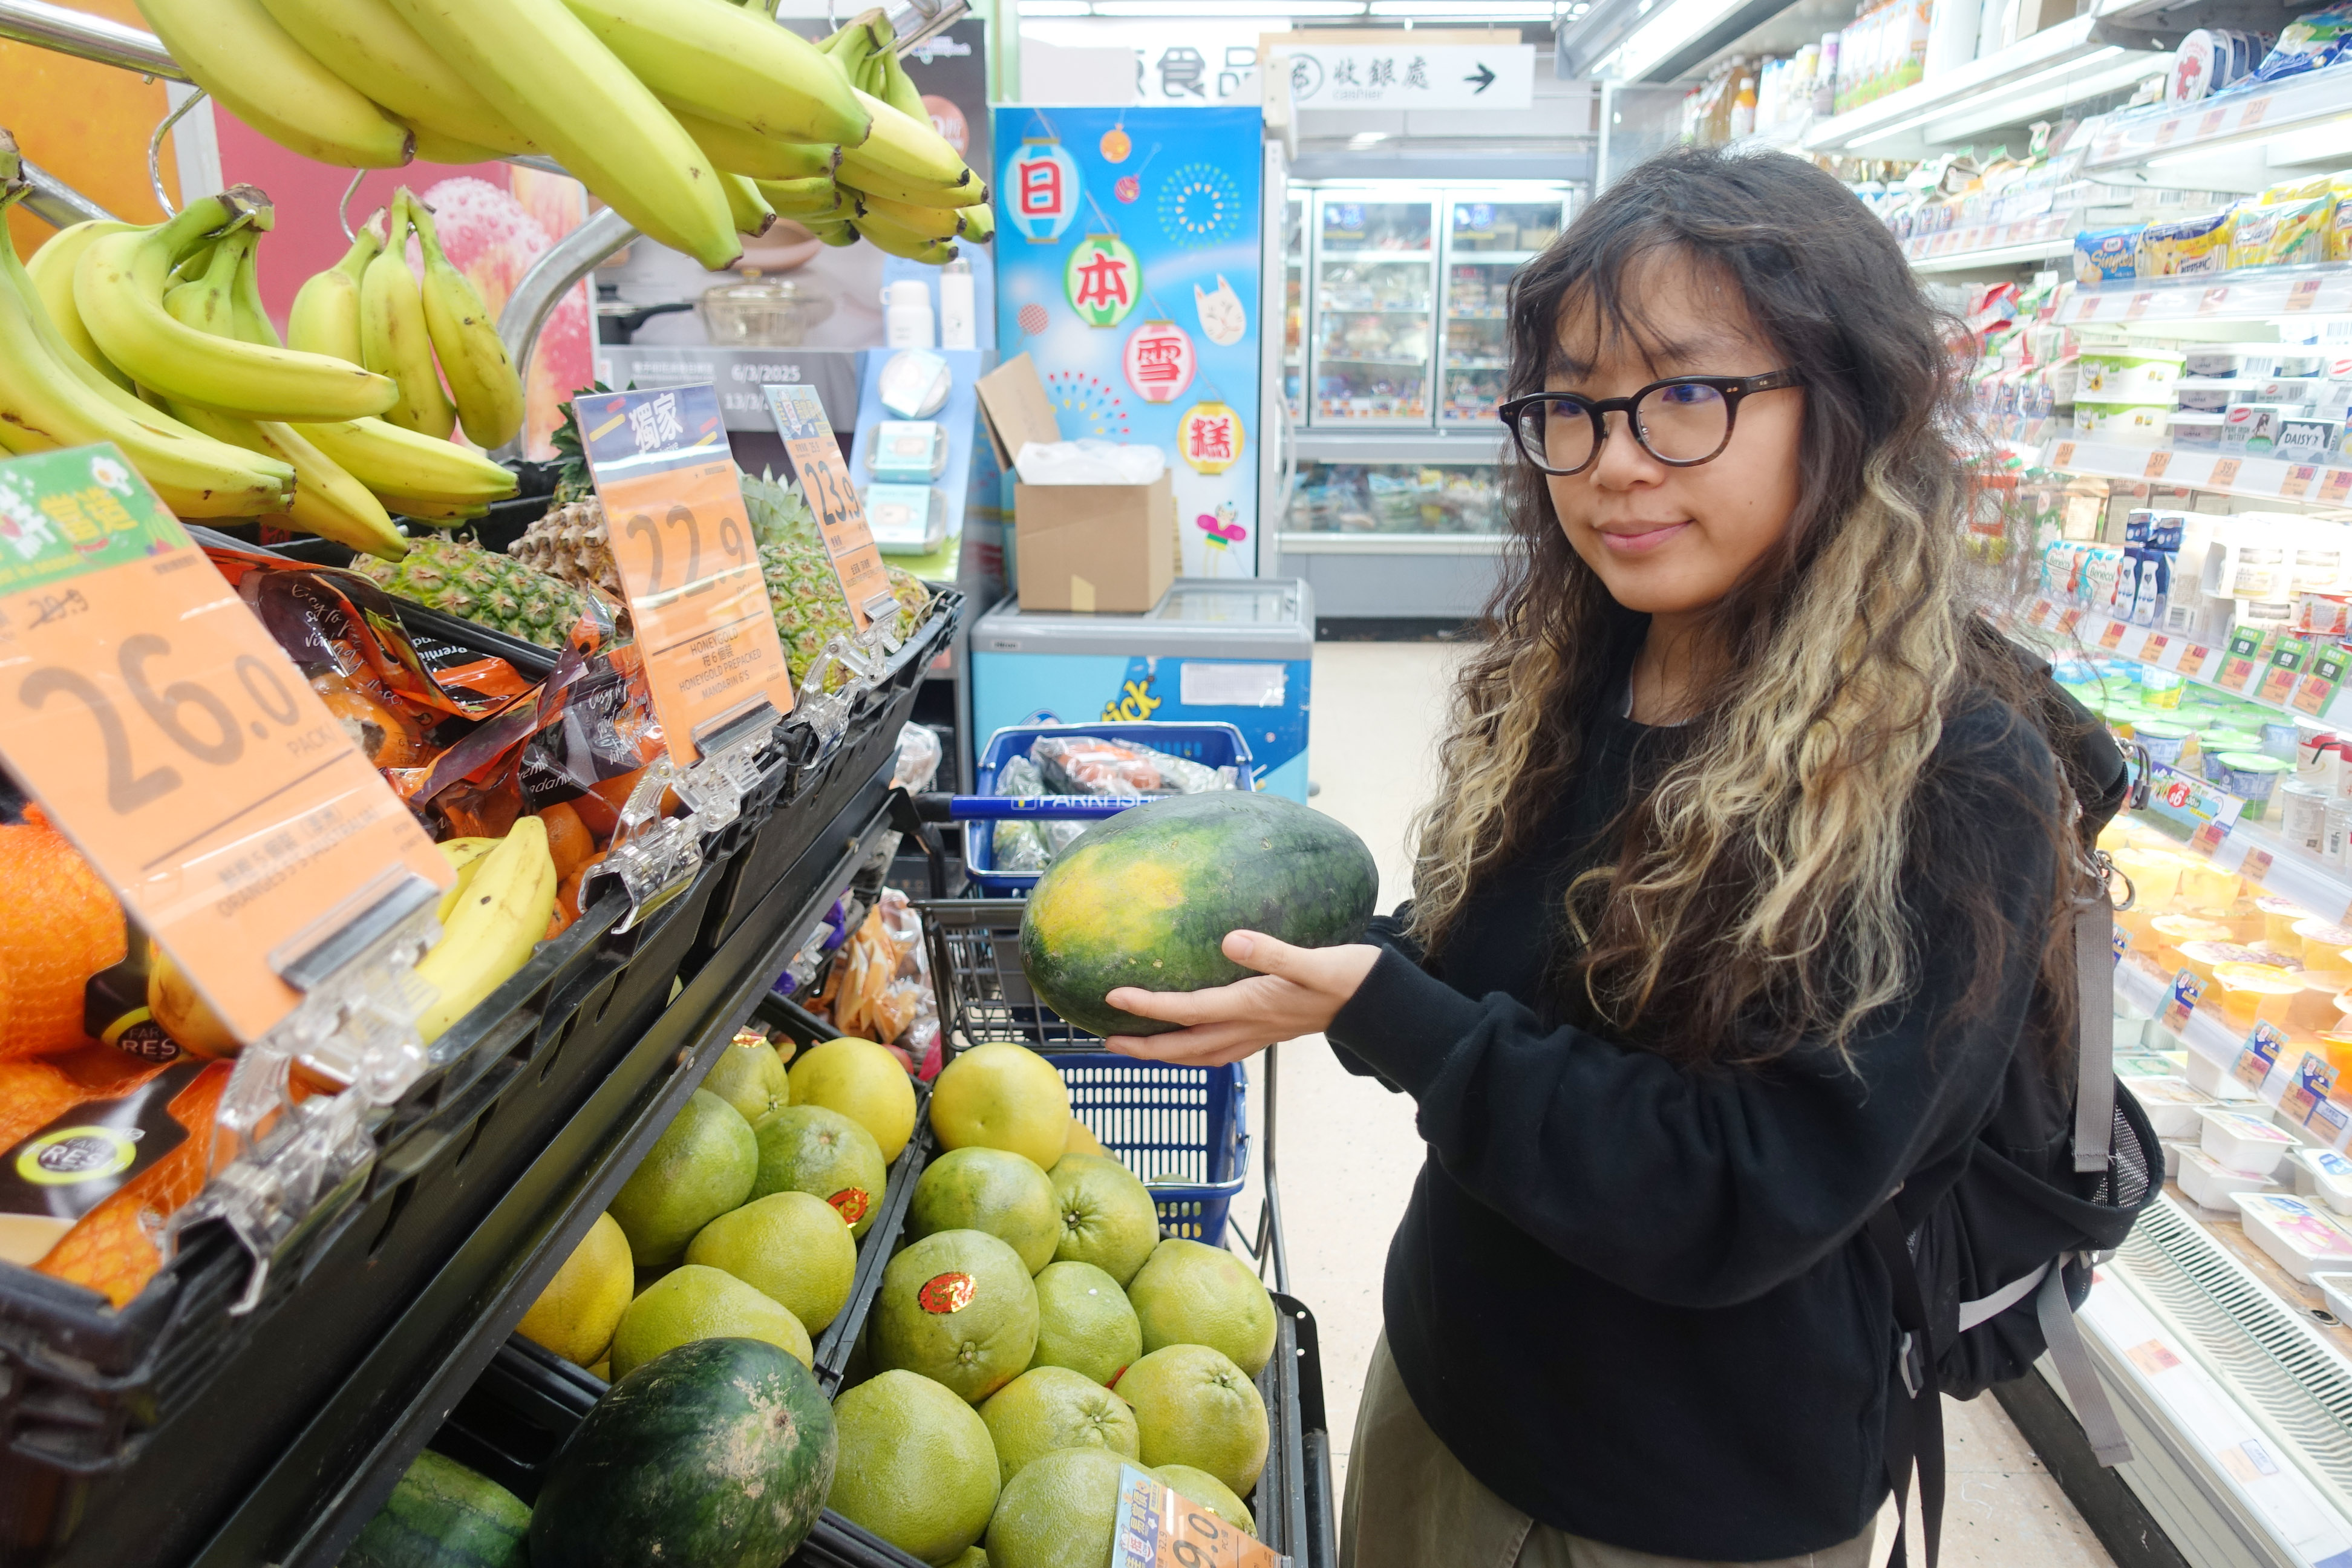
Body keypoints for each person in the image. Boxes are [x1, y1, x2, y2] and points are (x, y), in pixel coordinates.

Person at [1102, 146, 2127, 1568]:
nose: (1615, 460)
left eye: (1687, 395)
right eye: (1573, 407)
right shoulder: (1588, 665)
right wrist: (1351, 977)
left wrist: (1396, 1016)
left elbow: (1747, 1189)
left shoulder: (1951, 769)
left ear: (1846, 407)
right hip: (1449, 1388)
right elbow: (1501, 980)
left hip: (1688, 1501)